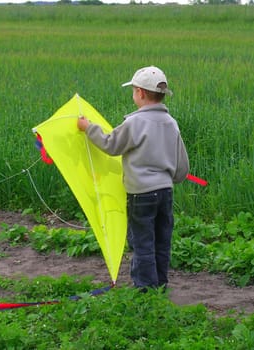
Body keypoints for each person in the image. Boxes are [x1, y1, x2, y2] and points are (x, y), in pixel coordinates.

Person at [77, 66, 189, 291]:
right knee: (161, 240)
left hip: (140, 194)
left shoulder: (134, 123)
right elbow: (182, 168)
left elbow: (111, 144)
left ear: (140, 93)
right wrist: (168, 179)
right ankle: (160, 283)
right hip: (165, 193)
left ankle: (145, 289)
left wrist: (88, 128)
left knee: (142, 242)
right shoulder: (171, 124)